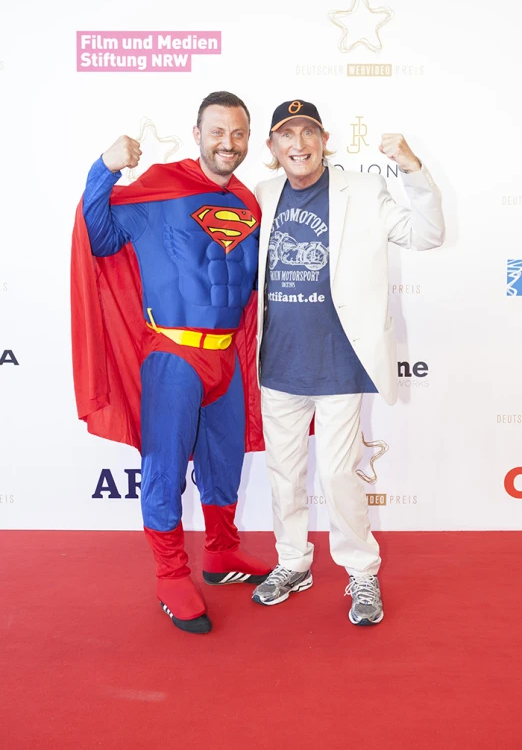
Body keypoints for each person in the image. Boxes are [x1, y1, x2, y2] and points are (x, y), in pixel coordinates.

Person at [71, 91, 270, 635]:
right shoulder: (160, 188)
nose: (227, 143)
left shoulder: (251, 204)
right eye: (217, 132)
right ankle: (169, 573)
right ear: (198, 133)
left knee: (224, 464)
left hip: (225, 357)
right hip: (173, 355)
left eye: (237, 134)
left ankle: (222, 554)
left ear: (248, 139)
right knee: (164, 465)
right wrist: (102, 169)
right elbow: (100, 234)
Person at [251, 100, 445, 624]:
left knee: (338, 477)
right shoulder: (262, 196)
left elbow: (427, 234)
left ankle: (361, 573)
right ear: (272, 147)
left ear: (324, 138)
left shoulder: (362, 190)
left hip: (338, 366)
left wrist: (411, 168)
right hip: (277, 367)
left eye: (307, 132)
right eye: (286, 135)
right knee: (284, 477)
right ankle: (293, 562)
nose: (298, 143)